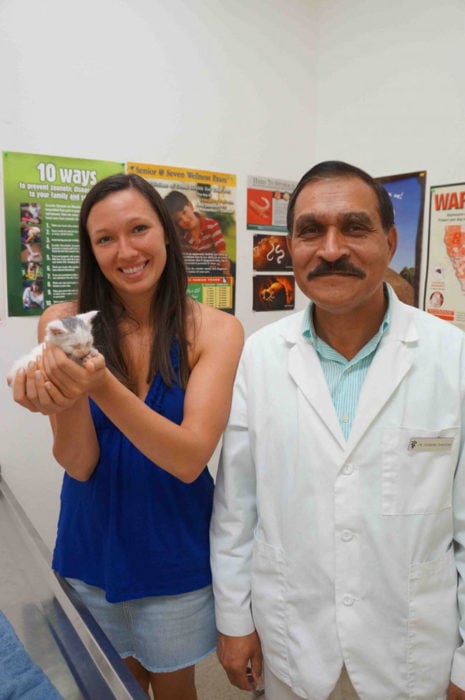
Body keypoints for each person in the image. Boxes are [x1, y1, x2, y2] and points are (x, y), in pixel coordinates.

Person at [210, 161, 465, 700]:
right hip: (294, 643)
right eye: (310, 231)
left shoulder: (452, 357)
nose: (330, 249)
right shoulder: (260, 355)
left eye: (354, 227)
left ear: (390, 240)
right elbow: (237, 508)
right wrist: (234, 622)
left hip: (414, 652)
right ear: (290, 247)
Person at [10, 173, 244, 700]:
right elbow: (79, 463)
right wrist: (61, 399)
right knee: (110, 687)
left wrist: (99, 385)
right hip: (90, 545)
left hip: (172, 548)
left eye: (139, 229)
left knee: (174, 687)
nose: (126, 251)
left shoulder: (215, 330)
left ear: (165, 232)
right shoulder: (64, 323)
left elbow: (188, 459)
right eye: (105, 239)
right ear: (92, 252)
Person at [164, 190, 231, 274]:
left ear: (191, 205)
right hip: (197, 272)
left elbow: (222, 254)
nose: (184, 220)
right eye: (178, 220)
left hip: (216, 269)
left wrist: (226, 276)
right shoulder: (182, 235)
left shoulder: (211, 225)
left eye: (184, 212)